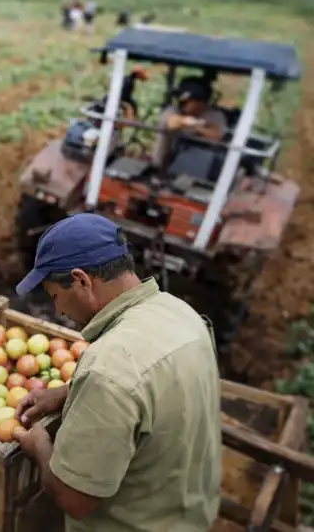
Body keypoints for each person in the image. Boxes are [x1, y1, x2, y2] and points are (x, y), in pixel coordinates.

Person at [12, 213, 221, 531]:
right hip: (188, 513)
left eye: (56, 296)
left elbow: (74, 499)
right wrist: (69, 392)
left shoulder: (108, 369)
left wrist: (39, 446)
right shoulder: (180, 312)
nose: (59, 311)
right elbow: (153, 387)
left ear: (81, 281)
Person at [151, 76, 229, 168]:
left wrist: (197, 127)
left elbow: (218, 135)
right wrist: (185, 121)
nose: (182, 103)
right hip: (168, 162)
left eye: (188, 101)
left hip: (202, 165)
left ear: (200, 102)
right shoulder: (174, 110)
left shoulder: (214, 115)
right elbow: (171, 123)